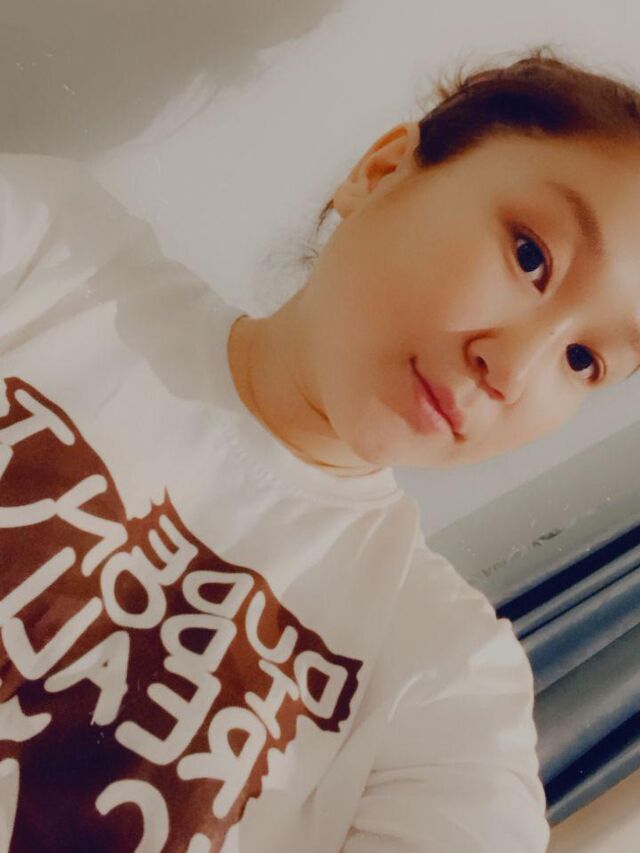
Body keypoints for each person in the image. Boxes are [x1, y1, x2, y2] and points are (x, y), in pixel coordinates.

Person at [1, 44, 639, 852]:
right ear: (381, 171)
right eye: (530, 256)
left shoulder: (450, 675)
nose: (513, 371)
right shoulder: (46, 255)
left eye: (584, 360)